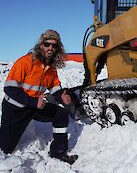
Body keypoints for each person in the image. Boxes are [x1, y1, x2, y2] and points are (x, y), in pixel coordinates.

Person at [0, 30, 78, 164]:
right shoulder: (25, 62)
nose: (50, 48)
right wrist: (33, 102)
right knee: (5, 148)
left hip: (35, 106)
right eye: (47, 44)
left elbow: (55, 88)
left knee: (60, 114)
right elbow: (9, 89)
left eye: (54, 46)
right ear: (41, 45)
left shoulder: (51, 68)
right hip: (15, 109)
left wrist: (62, 96)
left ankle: (58, 153)